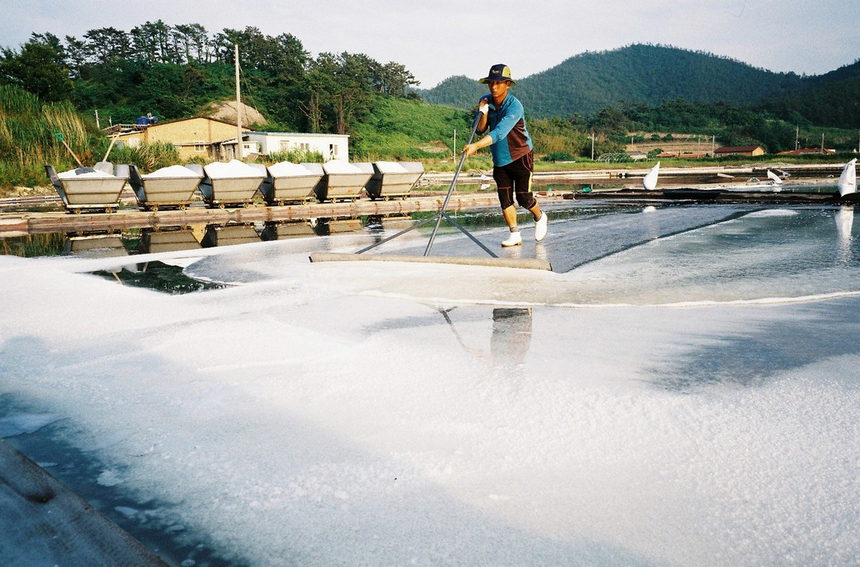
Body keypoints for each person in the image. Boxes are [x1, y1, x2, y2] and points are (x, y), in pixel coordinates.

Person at [463, 64, 547, 247]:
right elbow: (480, 129)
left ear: (507, 84)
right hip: (500, 159)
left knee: (524, 198)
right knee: (505, 198)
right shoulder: (485, 100)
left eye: (499, 83)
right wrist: (483, 112)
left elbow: (500, 132)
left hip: (521, 155)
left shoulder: (515, 106)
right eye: (491, 83)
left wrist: (475, 147)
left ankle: (540, 216)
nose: (494, 87)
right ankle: (514, 234)